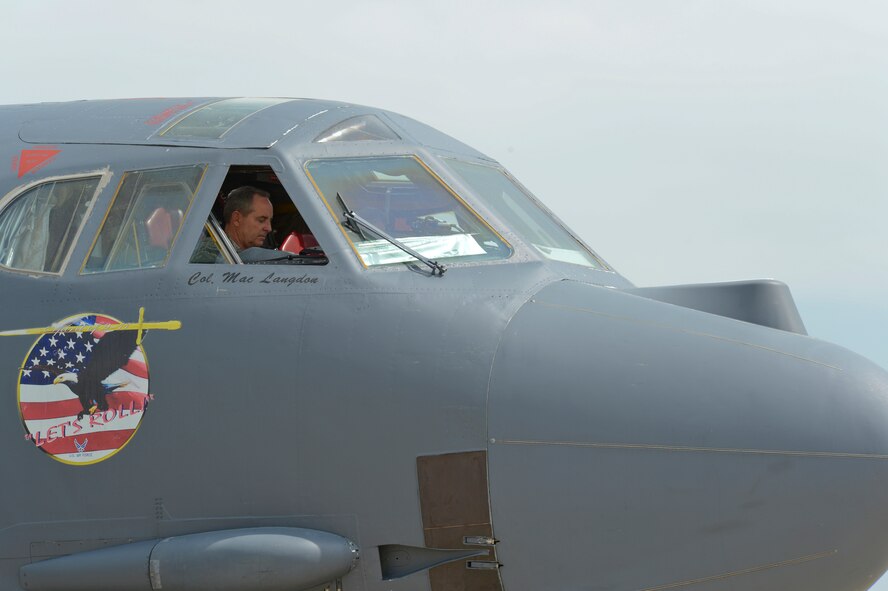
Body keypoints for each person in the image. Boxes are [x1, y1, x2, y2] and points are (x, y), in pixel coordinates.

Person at [190, 186, 273, 263]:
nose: (269, 228)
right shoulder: (210, 253)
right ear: (237, 219)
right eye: (261, 220)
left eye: (270, 221)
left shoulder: (259, 256)